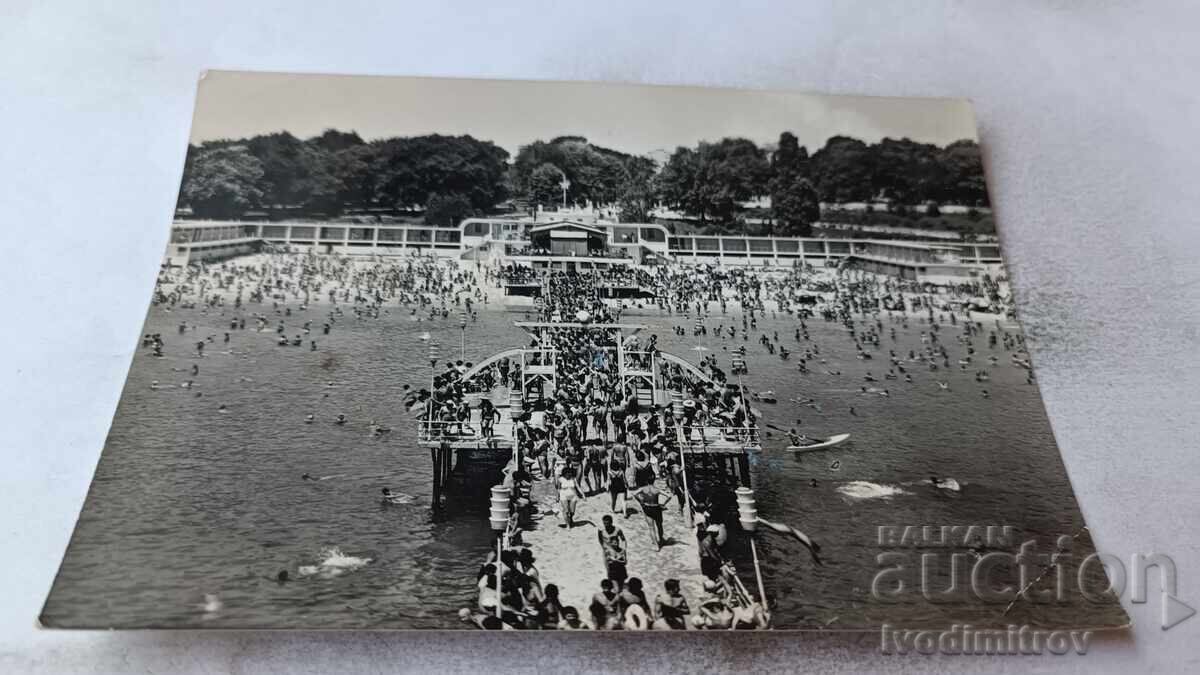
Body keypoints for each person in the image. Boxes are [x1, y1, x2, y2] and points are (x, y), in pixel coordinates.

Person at [634, 482, 671, 549]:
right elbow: (669, 496)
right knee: (659, 525)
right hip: (656, 508)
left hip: (647, 508)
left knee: (651, 527)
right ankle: (661, 540)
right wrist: (663, 504)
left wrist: (641, 501)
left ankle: (656, 545)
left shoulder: (643, 489)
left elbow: (634, 494)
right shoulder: (657, 489)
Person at [597, 515, 628, 589]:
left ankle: (619, 582)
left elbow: (623, 539)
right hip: (607, 552)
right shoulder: (601, 530)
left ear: (611, 522)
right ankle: (611, 584)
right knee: (608, 568)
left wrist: (623, 549)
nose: (606, 525)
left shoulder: (618, 530)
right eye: (604, 523)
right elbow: (600, 540)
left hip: (617, 551)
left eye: (607, 523)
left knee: (619, 566)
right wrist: (604, 549)